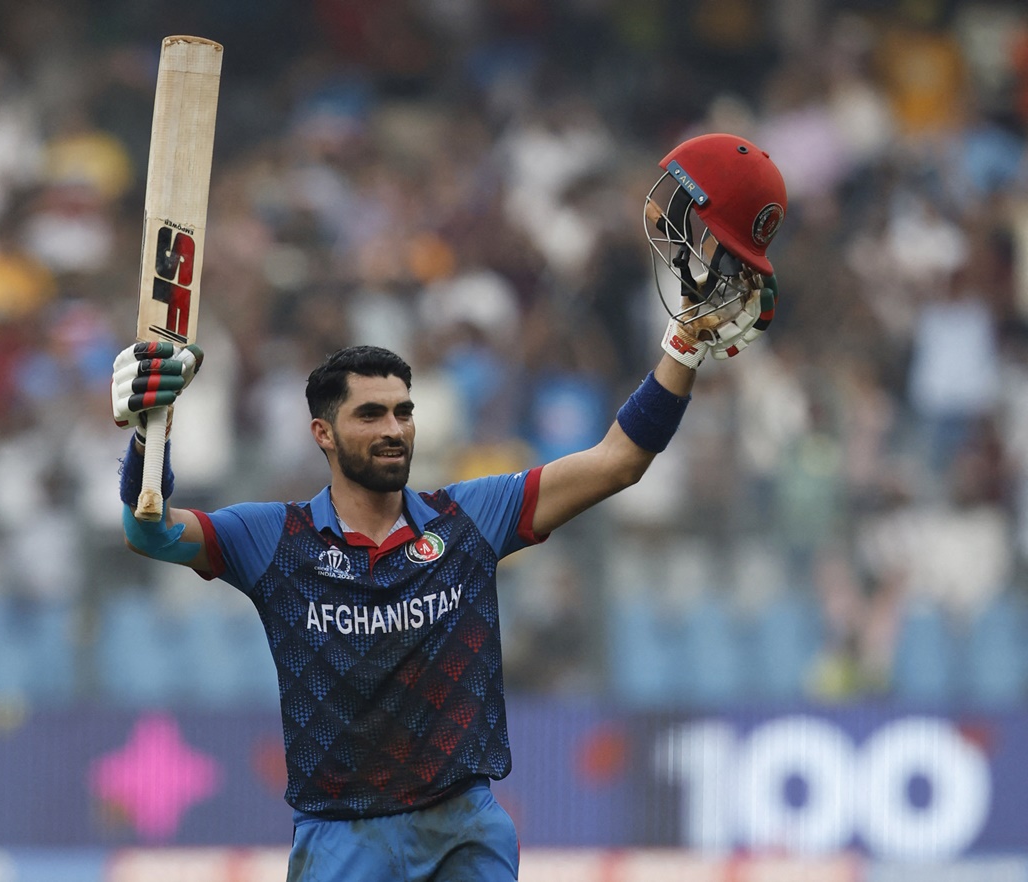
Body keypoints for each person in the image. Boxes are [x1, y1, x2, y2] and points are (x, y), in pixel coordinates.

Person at [110, 133, 785, 882]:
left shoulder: (468, 519)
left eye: (403, 411)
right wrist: (149, 436)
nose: (394, 428)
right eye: (371, 415)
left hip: (464, 828)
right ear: (322, 434)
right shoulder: (273, 538)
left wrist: (683, 344)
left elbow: (618, 461)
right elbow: (150, 532)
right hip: (342, 839)